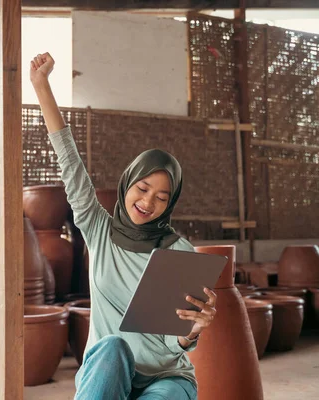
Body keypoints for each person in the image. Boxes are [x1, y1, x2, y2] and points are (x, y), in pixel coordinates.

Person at [30, 52, 217, 400]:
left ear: (171, 203)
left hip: (166, 377)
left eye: (162, 197)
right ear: (127, 183)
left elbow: (169, 347)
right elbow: (70, 162)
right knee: (113, 346)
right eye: (143, 189)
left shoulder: (178, 252)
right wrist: (41, 86)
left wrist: (190, 332)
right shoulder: (98, 229)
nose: (148, 203)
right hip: (108, 371)